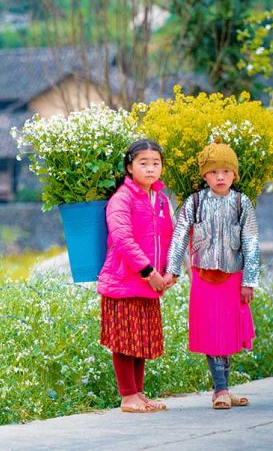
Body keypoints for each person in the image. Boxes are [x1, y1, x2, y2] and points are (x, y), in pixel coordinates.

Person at [164, 139, 259, 410]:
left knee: (228, 332)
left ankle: (223, 389)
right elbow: (179, 237)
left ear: (234, 175)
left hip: (233, 278)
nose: (220, 177)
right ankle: (221, 389)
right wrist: (173, 271)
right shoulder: (193, 203)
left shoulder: (243, 204)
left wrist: (249, 281)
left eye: (226, 172)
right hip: (204, 279)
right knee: (212, 332)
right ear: (204, 175)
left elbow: (251, 243)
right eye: (214, 172)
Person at [97, 138, 175, 413]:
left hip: (151, 281)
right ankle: (127, 396)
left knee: (140, 339)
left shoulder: (162, 201)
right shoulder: (122, 198)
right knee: (124, 339)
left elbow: (169, 237)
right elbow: (122, 238)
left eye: (156, 163)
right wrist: (148, 271)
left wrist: (170, 271)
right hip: (123, 280)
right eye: (143, 163)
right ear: (129, 167)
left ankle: (139, 394)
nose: (150, 169)